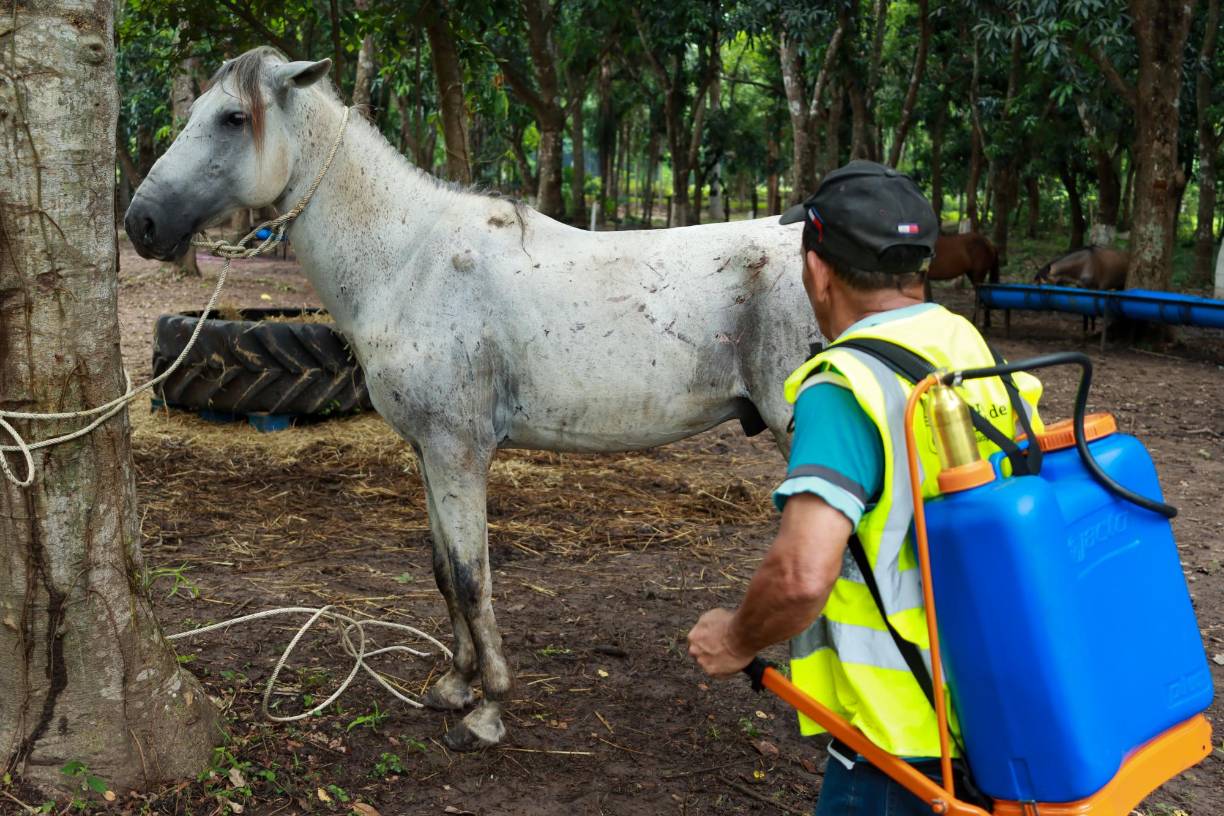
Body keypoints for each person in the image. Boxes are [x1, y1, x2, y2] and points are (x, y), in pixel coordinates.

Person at [686, 160, 1043, 815]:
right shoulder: (964, 342)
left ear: (818, 272)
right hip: (998, 703)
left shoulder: (846, 385)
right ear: (920, 268)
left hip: (899, 741)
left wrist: (735, 639)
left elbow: (801, 575)